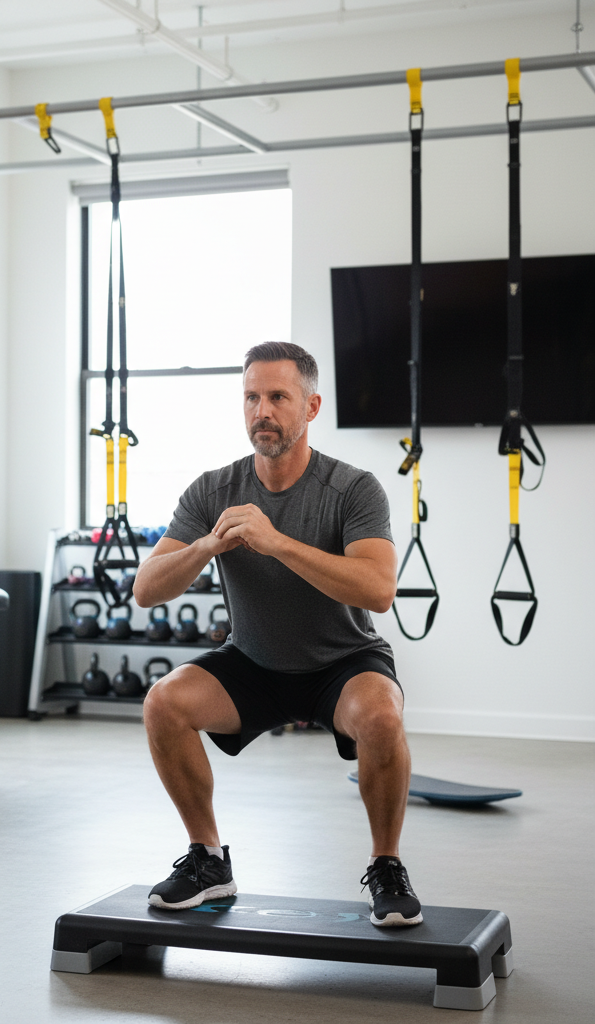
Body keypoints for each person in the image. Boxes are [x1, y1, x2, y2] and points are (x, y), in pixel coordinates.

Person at [133, 341, 421, 927]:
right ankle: (209, 860)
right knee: (165, 703)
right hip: (253, 661)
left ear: (311, 407)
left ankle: (387, 865)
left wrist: (278, 543)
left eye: (278, 397)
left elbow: (378, 590)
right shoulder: (212, 491)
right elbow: (147, 588)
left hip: (342, 662)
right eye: (251, 398)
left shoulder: (353, 489)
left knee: (383, 716)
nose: (262, 411)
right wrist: (207, 547)